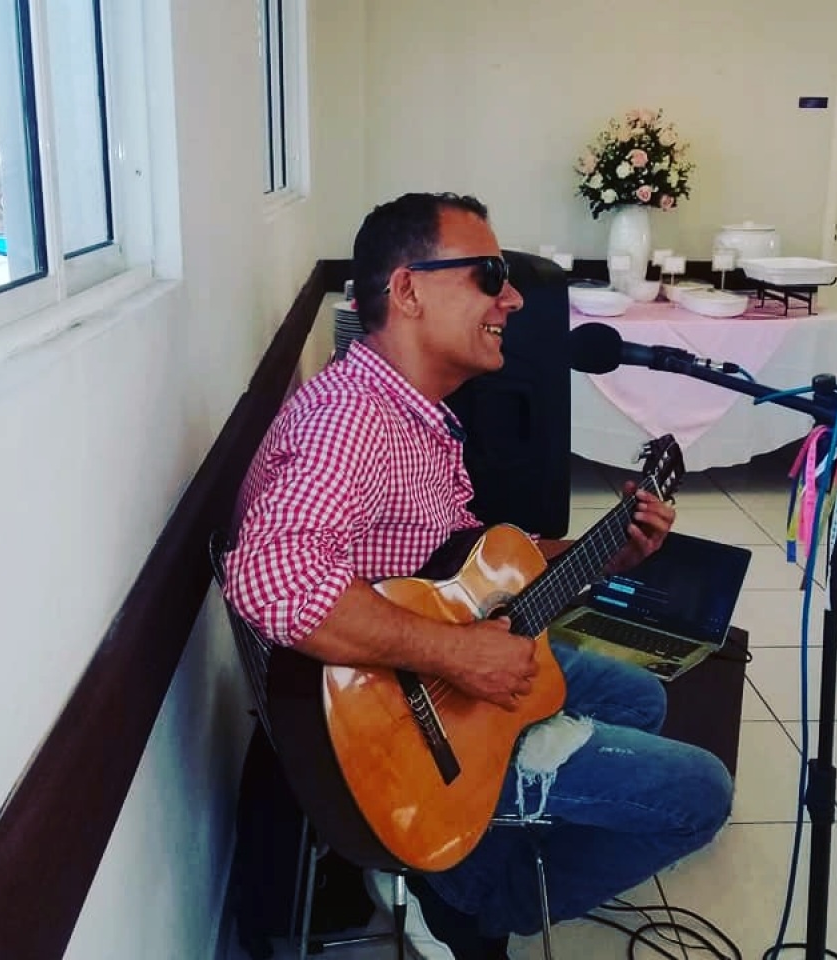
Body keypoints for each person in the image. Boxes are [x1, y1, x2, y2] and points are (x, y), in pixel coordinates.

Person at [224, 192, 732, 959]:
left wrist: (604, 552)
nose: (514, 298)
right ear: (407, 290)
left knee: (642, 698)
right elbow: (271, 576)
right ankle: (473, 897)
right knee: (703, 794)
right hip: (400, 722)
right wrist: (459, 654)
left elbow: (472, 565)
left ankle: (480, 837)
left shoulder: (410, 409)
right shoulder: (350, 420)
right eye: (490, 276)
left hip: (427, 669)